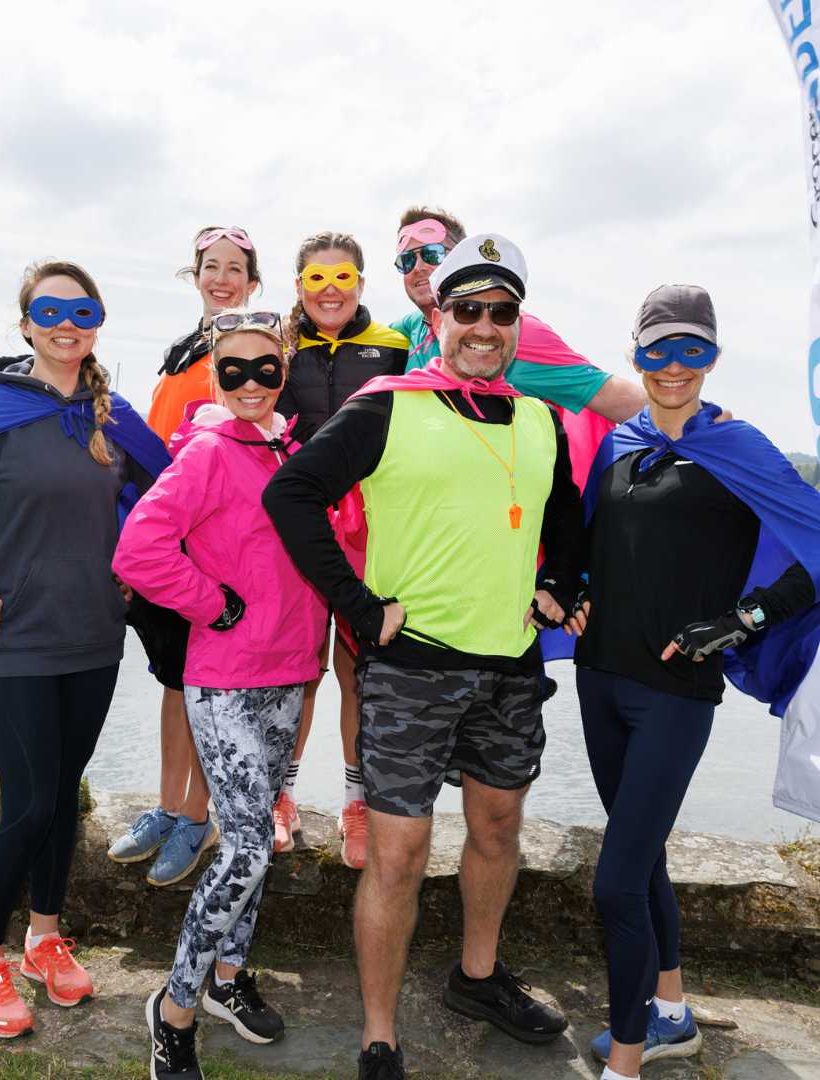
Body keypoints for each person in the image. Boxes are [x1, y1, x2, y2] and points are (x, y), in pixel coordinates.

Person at [264, 234, 583, 1079]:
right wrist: (361, 610)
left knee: (498, 828)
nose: (484, 327)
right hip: (412, 669)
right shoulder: (386, 404)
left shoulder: (543, 420)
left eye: (502, 313)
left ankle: (477, 977)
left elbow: (570, 524)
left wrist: (562, 580)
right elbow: (289, 493)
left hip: (512, 668)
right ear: (438, 317)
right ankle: (378, 1033)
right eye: (468, 310)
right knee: (400, 853)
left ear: (519, 326)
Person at [0, 260, 168, 1039]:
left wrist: (134, 578)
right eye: (50, 309)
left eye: (83, 309)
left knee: (65, 795)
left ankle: (45, 939)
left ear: (98, 322)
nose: (66, 321)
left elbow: (164, 492)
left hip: (92, 637)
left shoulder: (110, 416)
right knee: (29, 805)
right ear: (25, 325)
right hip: (13, 644)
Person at [568, 285, 820, 1080]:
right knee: (642, 864)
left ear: (713, 356)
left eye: (692, 350)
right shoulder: (617, 443)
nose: (673, 367)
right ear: (635, 354)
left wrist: (744, 618)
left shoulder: (739, 447)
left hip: (675, 695)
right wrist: (565, 587)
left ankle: (627, 1064)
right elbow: (582, 546)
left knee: (615, 885)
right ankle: (671, 1011)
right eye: (656, 350)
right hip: (599, 678)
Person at [113, 310, 326, 1080]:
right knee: (239, 847)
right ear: (212, 375)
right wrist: (217, 605)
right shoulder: (206, 451)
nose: (248, 383)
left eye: (264, 369)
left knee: (259, 840)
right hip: (227, 679)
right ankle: (172, 1011)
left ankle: (230, 979)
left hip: (288, 674)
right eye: (230, 369)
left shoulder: (292, 451)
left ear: (283, 373)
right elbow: (139, 550)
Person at [110, 226, 263, 888]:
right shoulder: (180, 352)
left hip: (220, 547)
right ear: (193, 274)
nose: (222, 278)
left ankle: (200, 817)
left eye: (235, 268)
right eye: (211, 267)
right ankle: (170, 806)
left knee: (208, 689)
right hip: (167, 546)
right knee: (175, 683)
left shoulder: (252, 350)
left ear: (253, 282)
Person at [273, 231, 410, 869]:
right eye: (316, 279)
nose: (331, 290)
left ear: (361, 282)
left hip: (370, 526)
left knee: (358, 669)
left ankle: (357, 804)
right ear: (299, 285)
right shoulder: (279, 346)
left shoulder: (394, 346)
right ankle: (282, 793)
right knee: (299, 668)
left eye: (343, 277)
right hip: (296, 526)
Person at [390, 206, 647, 492]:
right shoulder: (409, 329)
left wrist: (699, 423)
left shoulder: (514, 336)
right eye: (406, 261)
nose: (419, 267)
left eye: (432, 254)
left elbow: (615, 396)